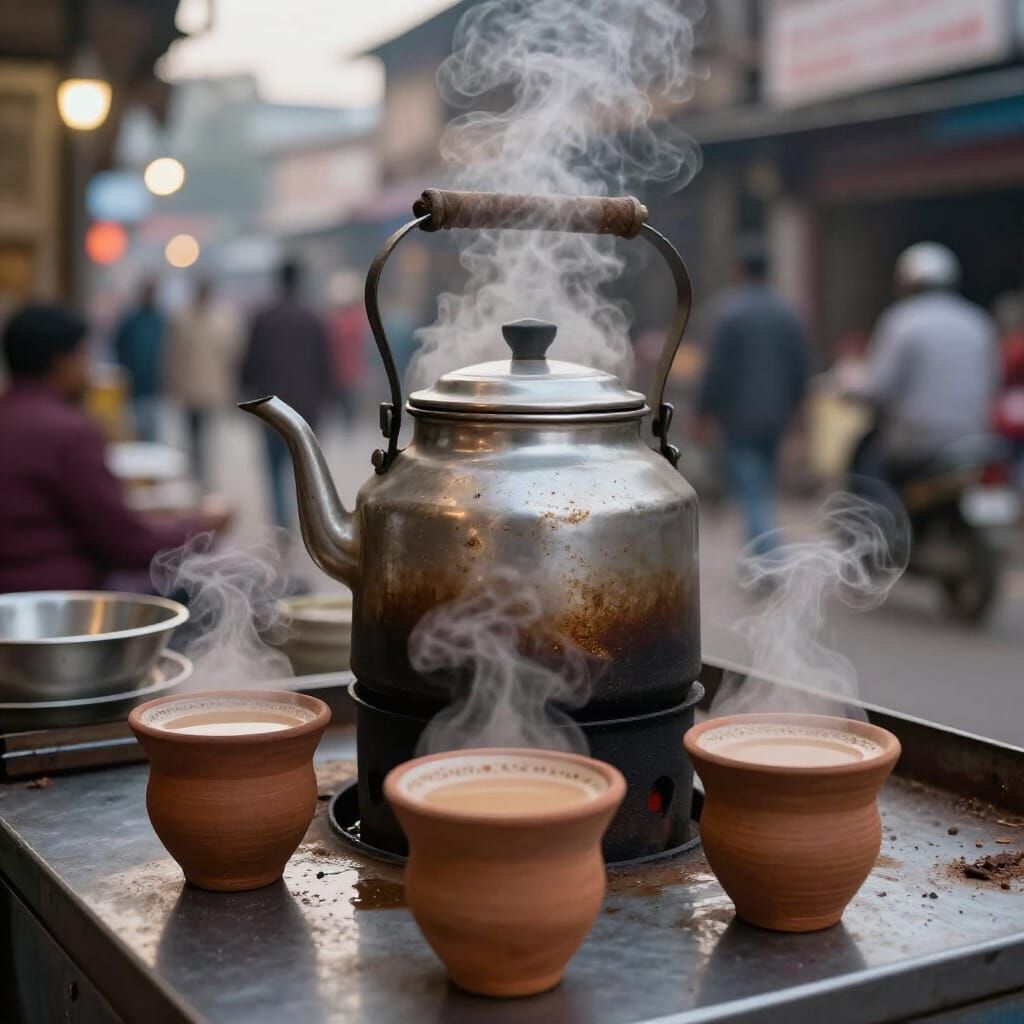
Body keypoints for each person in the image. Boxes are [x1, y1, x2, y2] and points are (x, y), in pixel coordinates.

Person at [0, 304, 231, 593]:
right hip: (61, 602)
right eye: (83, 356)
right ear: (62, 362)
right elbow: (127, 546)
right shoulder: (69, 433)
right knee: (220, 581)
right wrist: (203, 525)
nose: (88, 369)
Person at [697, 238, 809, 554]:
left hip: (739, 417)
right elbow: (800, 368)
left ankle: (769, 558)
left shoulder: (728, 312)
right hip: (777, 415)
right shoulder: (788, 313)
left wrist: (703, 414)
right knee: (762, 488)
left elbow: (715, 370)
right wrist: (799, 416)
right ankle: (760, 556)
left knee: (752, 492)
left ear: (739, 270)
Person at [859, 243, 999, 486]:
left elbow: (880, 387)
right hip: (975, 440)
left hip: (916, 445)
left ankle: (885, 522)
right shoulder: (978, 321)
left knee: (866, 473)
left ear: (906, 281)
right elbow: (995, 380)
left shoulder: (902, 320)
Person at [242, 260, 334, 527]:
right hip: (306, 409)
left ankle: (282, 523)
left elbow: (249, 364)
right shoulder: (314, 320)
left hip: (271, 408)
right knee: (304, 469)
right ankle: (306, 521)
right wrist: (326, 399)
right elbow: (325, 365)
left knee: (274, 469)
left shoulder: (264, 318)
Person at [164, 279, 243, 486]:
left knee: (205, 436)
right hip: (191, 389)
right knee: (194, 436)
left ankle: (203, 474)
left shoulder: (220, 320)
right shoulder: (184, 319)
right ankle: (198, 473)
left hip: (209, 390)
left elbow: (231, 356)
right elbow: (173, 355)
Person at [113, 278, 165, 442]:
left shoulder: (160, 321)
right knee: (136, 426)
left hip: (154, 383)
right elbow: (120, 346)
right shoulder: (131, 321)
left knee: (152, 428)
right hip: (134, 382)